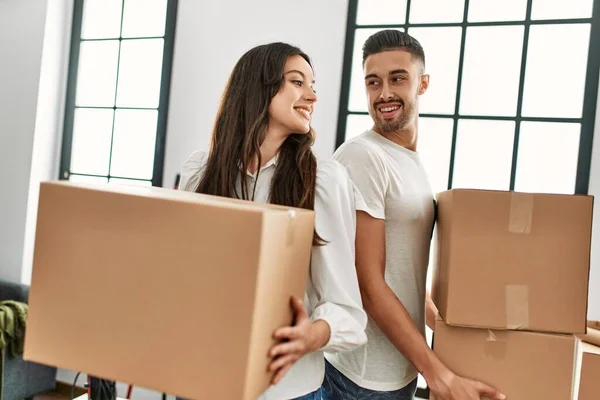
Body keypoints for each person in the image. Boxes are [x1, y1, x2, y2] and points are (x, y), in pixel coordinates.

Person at [322, 30, 506, 400]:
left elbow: (401, 272)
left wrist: (456, 331)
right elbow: (369, 284)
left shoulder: (410, 162)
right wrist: (437, 373)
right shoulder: (363, 157)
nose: (384, 93)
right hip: (363, 379)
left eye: (397, 78)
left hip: (402, 370)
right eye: (373, 82)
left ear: (423, 83)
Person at [178, 42, 367, 400]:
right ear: (259, 87)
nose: (312, 96)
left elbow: (347, 309)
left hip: (287, 391)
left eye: (313, 86)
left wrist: (310, 335)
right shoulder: (199, 173)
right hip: (202, 382)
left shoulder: (323, 180)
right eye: (298, 82)